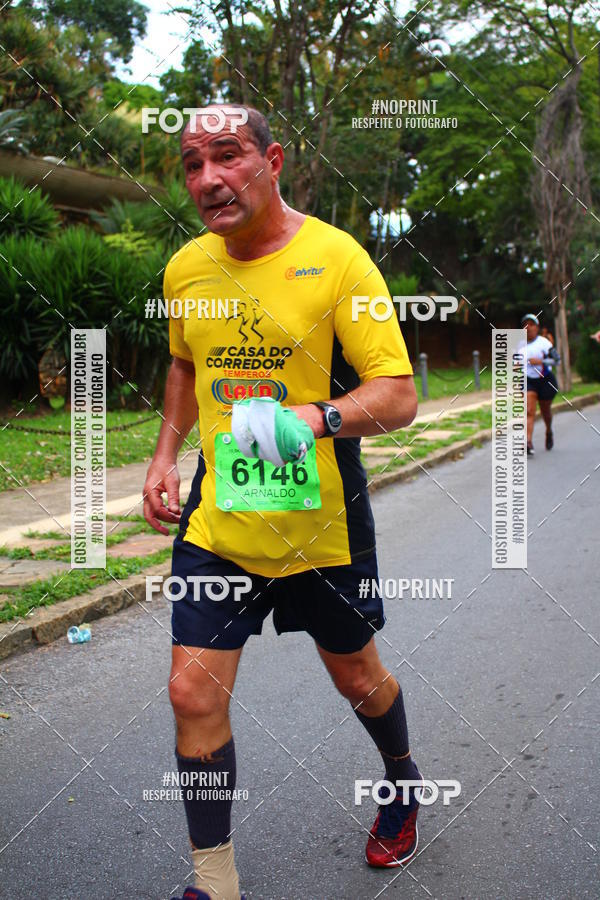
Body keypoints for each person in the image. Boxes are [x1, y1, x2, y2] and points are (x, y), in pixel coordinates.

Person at [142, 104, 421, 899]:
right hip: (219, 522)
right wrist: (164, 456)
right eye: (193, 164)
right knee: (190, 690)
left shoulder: (338, 260)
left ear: (273, 159)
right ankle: (214, 881)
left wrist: (319, 416)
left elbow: (397, 397)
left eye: (226, 156)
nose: (208, 179)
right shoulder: (187, 268)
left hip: (322, 530)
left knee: (358, 676)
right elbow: (186, 369)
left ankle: (401, 779)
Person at [522, 313, 560, 455]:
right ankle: (528, 442)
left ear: (536, 327)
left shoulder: (544, 343)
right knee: (529, 410)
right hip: (529, 380)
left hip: (545, 380)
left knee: (545, 411)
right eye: (526, 325)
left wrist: (541, 362)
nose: (528, 327)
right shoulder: (519, 346)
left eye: (531, 324)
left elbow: (557, 360)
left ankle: (549, 431)